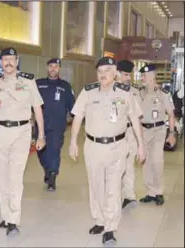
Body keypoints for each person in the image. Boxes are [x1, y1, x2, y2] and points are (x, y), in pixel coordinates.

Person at [69, 57, 146, 245]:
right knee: (96, 186)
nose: (102, 74)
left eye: (107, 71)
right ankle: (100, 220)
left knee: (113, 188)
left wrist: (141, 144)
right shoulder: (87, 92)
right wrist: (72, 141)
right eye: (100, 71)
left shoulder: (125, 93)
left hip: (117, 147)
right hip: (93, 146)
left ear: (115, 73)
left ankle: (110, 227)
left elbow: (135, 119)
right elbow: (78, 117)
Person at [0, 47, 46, 236]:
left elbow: (37, 109)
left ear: (17, 61)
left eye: (11, 59)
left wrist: (41, 135)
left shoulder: (28, 81)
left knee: (15, 177)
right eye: (5, 59)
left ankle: (13, 220)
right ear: (1, 63)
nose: (8, 62)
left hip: (21, 132)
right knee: (2, 176)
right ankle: (6, 215)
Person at [138, 64, 176, 206]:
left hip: (158, 130)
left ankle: (159, 192)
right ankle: (150, 192)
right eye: (142, 75)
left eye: (145, 76)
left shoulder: (163, 93)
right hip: (143, 131)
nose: (142, 78)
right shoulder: (140, 93)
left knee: (157, 161)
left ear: (153, 76)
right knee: (145, 162)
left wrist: (171, 134)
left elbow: (171, 115)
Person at [35, 58, 75, 191]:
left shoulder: (65, 86)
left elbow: (72, 107)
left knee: (54, 150)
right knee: (41, 151)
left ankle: (52, 176)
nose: (53, 69)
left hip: (57, 126)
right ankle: (47, 168)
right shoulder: (38, 84)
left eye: (56, 66)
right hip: (40, 125)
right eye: (50, 66)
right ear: (47, 68)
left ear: (59, 68)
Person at [117, 60, 143, 209]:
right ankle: (116, 196)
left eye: (129, 75)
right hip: (116, 132)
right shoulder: (110, 89)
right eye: (126, 74)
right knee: (117, 165)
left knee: (129, 165)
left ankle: (129, 195)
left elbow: (138, 116)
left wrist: (141, 142)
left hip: (130, 131)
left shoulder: (134, 91)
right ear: (117, 74)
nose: (128, 78)